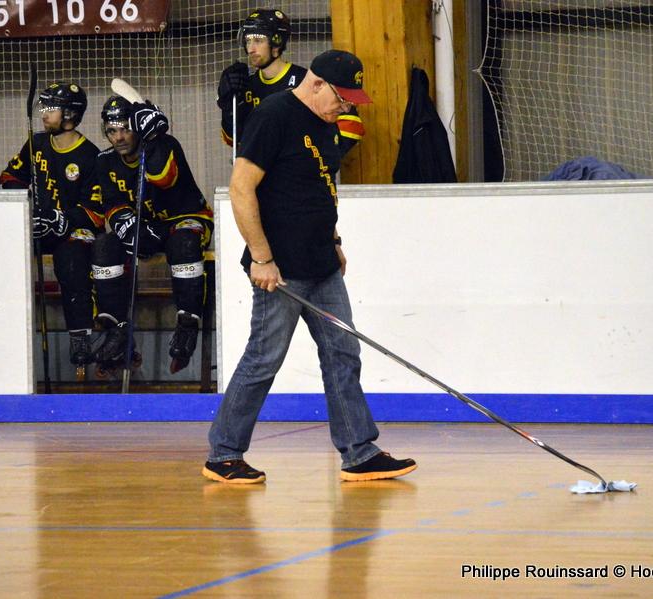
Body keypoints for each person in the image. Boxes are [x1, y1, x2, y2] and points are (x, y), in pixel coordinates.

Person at [204, 49, 417, 484]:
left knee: (343, 353)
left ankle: (359, 452)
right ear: (317, 84)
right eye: (342, 98)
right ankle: (224, 454)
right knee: (264, 359)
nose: (346, 108)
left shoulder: (326, 121)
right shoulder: (273, 116)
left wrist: (333, 240)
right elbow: (241, 188)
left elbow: (319, 187)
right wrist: (261, 258)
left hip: (321, 263)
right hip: (280, 269)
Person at [92, 95, 213, 374]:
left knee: (184, 243)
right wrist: (128, 227)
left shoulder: (166, 145)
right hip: (144, 226)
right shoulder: (104, 160)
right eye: (112, 131)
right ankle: (117, 331)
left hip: (183, 219)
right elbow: (111, 204)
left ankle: (187, 325)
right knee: (104, 246)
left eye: (126, 129)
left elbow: (163, 178)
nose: (119, 137)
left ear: (137, 128)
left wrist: (154, 137)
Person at [0, 82, 103, 373]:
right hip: (39, 228)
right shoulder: (36, 144)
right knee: (4, 251)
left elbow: (95, 211)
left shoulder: (90, 156)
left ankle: (80, 337)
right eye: (43, 107)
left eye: (51, 108)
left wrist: (62, 220)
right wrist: (26, 207)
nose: (44, 113)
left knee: (72, 259)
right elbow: (10, 177)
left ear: (70, 114)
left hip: (72, 232)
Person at [216, 9, 364, 154]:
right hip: (259, 170)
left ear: (277, 42)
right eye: (248, 41)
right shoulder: (245, 85)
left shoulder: (306, 81)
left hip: (302, 169)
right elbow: (232, 140)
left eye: (258, 41)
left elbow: (352, 127)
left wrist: (311, 155)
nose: (251, 49)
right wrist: (229, 108)